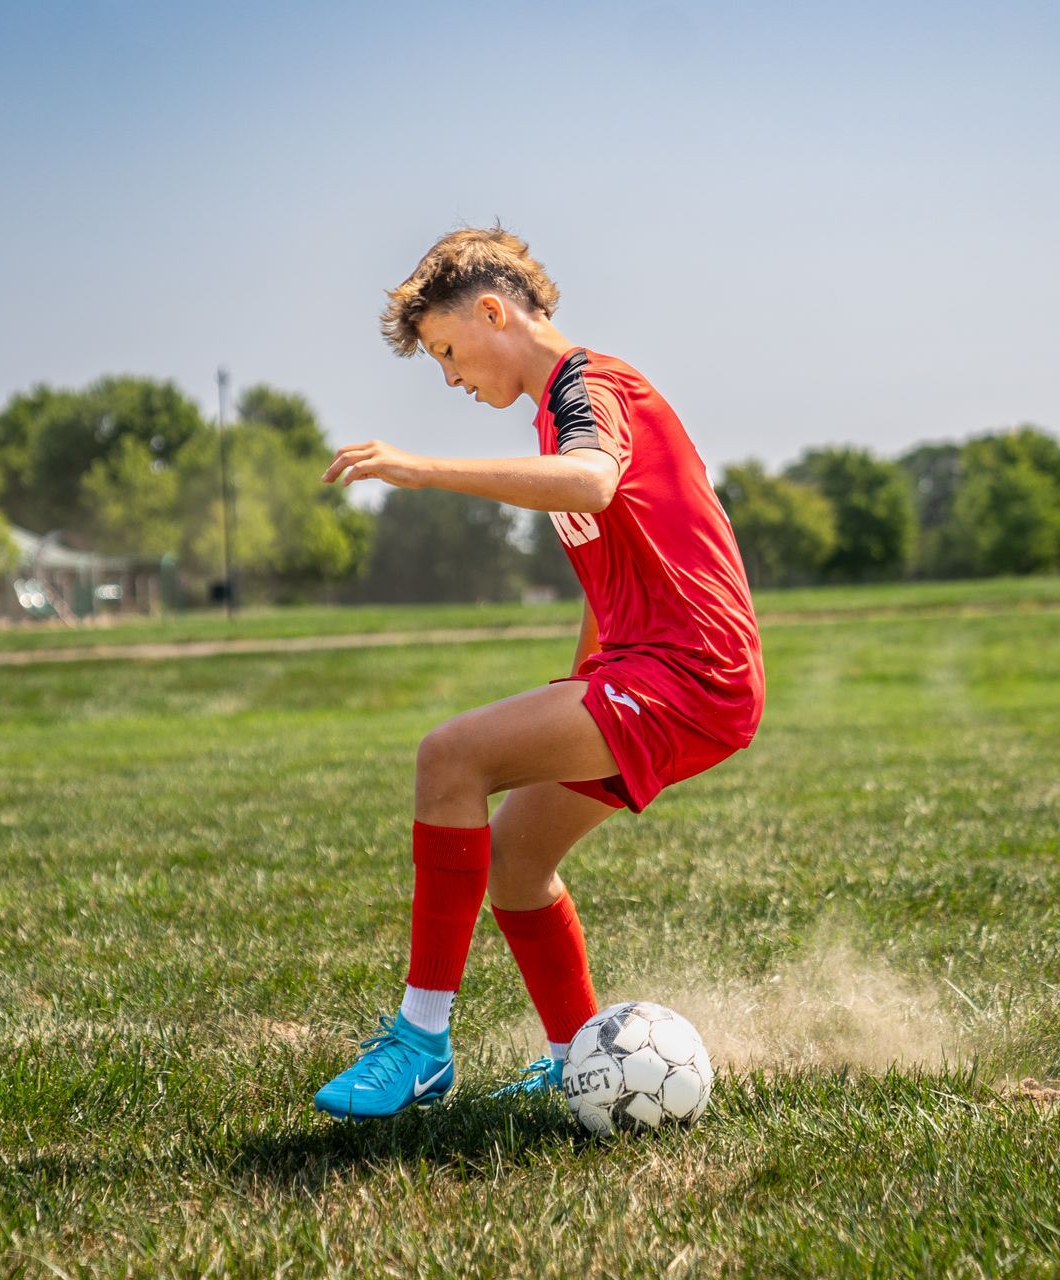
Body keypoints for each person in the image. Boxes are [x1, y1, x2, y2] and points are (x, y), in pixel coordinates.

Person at [311, 226, 764, 1119]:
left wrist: (422, 468)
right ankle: (575, 1061)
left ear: (493, 312)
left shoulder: (592, 388)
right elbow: (613, 565)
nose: (449, 376)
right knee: (515, 862)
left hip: (688, 674)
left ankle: (421, 1042)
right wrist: (575, 687)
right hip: (653, 673)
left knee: (448, 760)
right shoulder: (558, 412)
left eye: (448, 350)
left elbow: (591, 484)